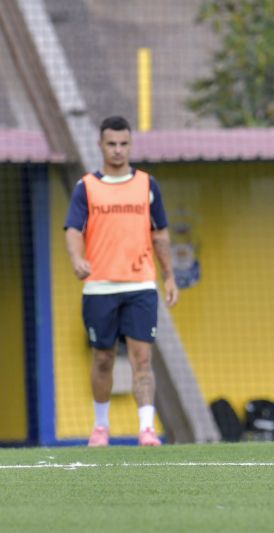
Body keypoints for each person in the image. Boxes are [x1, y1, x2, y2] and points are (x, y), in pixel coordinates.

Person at [64, 115, 179, 447]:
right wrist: (77, 259)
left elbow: (160, 233)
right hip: (100, 287)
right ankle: (101, 427)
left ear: (130, 145)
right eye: (111, 144)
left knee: (143, 357)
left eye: (123, 144)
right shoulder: (86, 187)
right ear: (101, 145)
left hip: (141, 284)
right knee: (103, 357)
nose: (117, 150)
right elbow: (73, 229)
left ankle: (146, 428)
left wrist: (169, 276)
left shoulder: (147, 184)